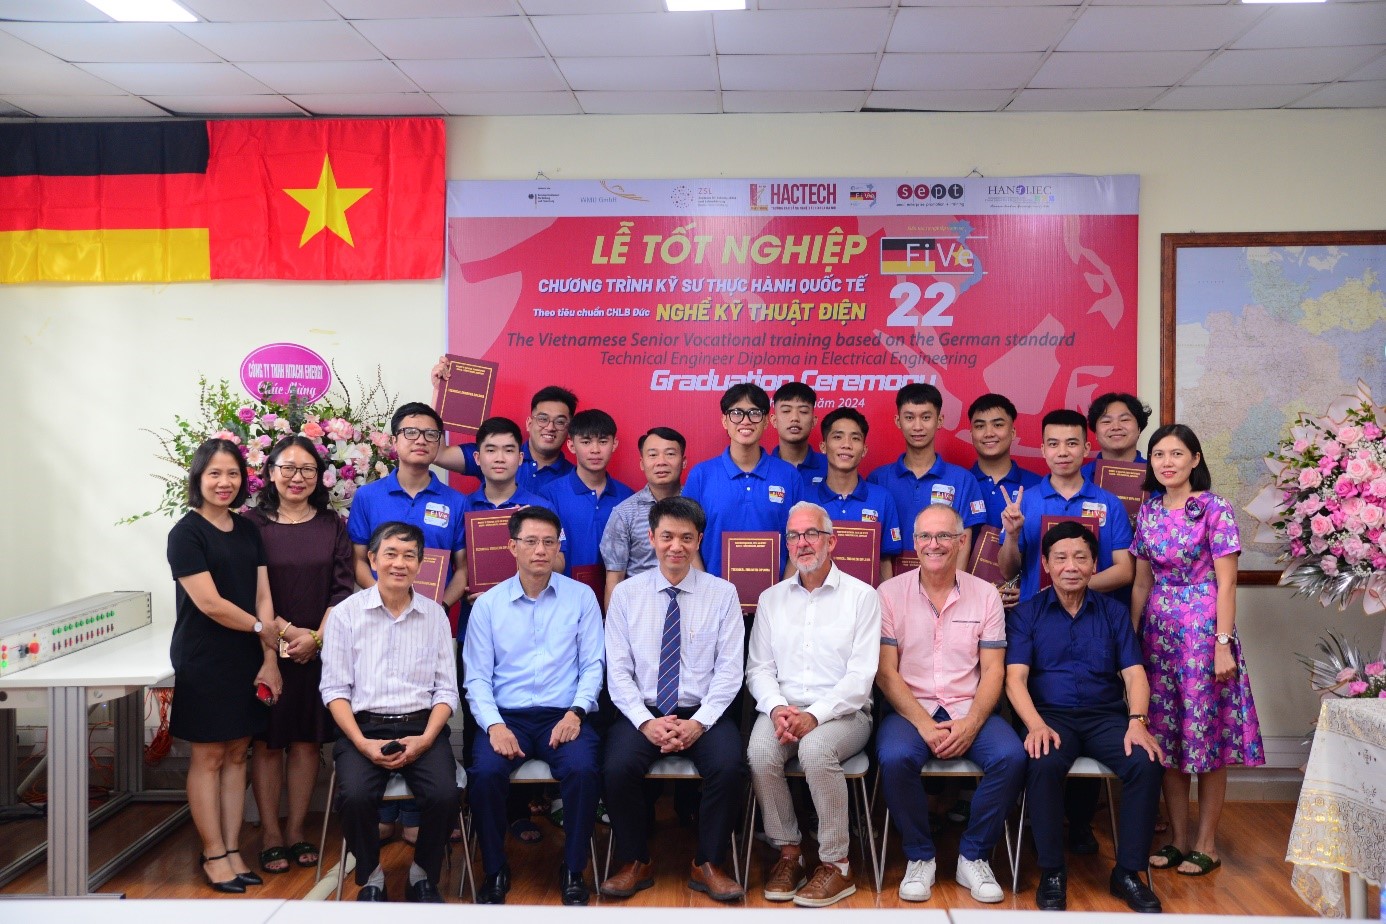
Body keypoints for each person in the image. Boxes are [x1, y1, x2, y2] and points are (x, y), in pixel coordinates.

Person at [1004, 521, 1164, 913]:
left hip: (1106, 717)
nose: (1071, 566)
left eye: (1080, 557)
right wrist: (1034, 724)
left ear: (1094, 565)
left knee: (1145, 762)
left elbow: (1135, 675)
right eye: (1060, 558)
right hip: (1050, 717)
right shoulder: (1026, 615)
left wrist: (1137, 721)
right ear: (1046, 564)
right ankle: (1052, 871)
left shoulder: (1114, 613)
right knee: (1041, 762)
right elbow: (1014, 679)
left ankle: (1127, 872)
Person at [1131, 423, 1263, 877]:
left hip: (1203, 634)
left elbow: (1228, 583)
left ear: (1195, 459)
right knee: (1166, 739)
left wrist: (1222, 645)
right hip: (1159, 635)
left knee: (1207, 738)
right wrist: (1131, 641)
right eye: (1158, 454)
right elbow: (1141, 582)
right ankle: (1178, 839)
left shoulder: (1214, 508)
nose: (1166, 462)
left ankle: (1206, 843)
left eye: (1176, 453)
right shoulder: (1148, 510)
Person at [875, 504, 1025, 904]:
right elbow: (886, 673)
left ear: (961, 542)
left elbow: (993, 671)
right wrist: (924, 724)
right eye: (925, 536)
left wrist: (972, 723)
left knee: (1011, 757)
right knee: (894, 758)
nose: (934, 544)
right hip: (910, 709)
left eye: (944, 536)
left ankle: (973, 856)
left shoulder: (986, 595)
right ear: (914, 542)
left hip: (967, 706)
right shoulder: (889, 594)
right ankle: (920, 857)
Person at [600, 496, 747, 902]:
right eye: (666, 536)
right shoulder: (627, 594)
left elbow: (730, 671)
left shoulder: (723, 594)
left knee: (729, 767)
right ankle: (635, 860)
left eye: (686, 537)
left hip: (702, 712)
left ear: (699, 540)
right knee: (615, 767)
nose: (675, 546)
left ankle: (708, 863)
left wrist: (699, 722)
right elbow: (618, 672)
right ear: (651, 538)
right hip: (643, 711)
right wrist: (645, 722)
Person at [464, 506, 604, 905]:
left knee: (583, 769)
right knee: (485, 774)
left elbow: (594, 664)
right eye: (530, 541)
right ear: (512, 547)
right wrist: (494, 726)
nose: (540, 550)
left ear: (559, 547)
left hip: (564, 714)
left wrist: (577, 712)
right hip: (506, 717)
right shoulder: (489, 605)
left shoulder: (581, 597)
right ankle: (495, 869)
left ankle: (573, 868)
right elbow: (477, 677)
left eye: (549, 542)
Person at [746, 502, 881, 907]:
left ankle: (837, 864)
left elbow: (861, 677)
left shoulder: (862, 597)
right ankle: (790, 853)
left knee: (816, 749)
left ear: (831, 541)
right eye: (794, 536)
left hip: (844, 713)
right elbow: (758, 669)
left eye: (811, 534)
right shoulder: (771, 599)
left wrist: (814, 715)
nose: (802, 543)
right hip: (784, 710)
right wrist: (776, 708)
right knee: (759, 751)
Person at [319, 522, 460, 903]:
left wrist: (426, 740)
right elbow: (334, 690)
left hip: (421, 726)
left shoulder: (434, 615)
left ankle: (422, 873)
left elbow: (446, 690)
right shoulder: (346, 615)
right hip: (363, 728)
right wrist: (362, 743)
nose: (400, 563)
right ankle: (372, 877)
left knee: (445, 795)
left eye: (409, 556)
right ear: (372, 559)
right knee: (355, 797)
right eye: (391, 554)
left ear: (421, 564)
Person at [166, 438, 282, 893]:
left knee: (238, 752)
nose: (224, 482)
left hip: (248, 653)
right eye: (214, 473)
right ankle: (212, 852)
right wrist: (260, 628)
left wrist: (269, 655)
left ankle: (233, 849)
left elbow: (263, 594)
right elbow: (210, 603)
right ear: (198, 477)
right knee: (210, 754)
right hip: (205, 656)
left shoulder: (248, 529)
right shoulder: (186, 533)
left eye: (232, 473)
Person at [244, 435, 353, 874]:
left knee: (307, 742)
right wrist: (289, 635)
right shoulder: (252, 524)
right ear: (270, 472)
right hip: (265, 649)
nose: (297, 477)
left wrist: (318, 639)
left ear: (320, 476)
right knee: (268, 743)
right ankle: (270, 832)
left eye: (307, 469)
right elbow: (249, 591)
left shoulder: (332, 525)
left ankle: (296, 830)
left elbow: (343, 589)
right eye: (288, 468)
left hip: (317, 651)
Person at [998, 409, 1135, 604]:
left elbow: (1125, 571)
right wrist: (1012, 536)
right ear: (1043, 450)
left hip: (1095, 613)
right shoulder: (1024, 502)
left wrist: (1068, 587)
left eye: (1071, 443)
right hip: (1037, 614)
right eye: (1053, 444)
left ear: (1086, 448)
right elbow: (1007, 572)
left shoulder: (1110, 503)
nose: (1062, 452)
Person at [348, 402, 468, 617]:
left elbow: (463, 568)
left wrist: (441, 608)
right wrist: (386, 602)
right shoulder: (367, 496)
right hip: (377, 615)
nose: (421, 440)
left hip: (432, 618)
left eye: (431, 434)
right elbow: (358, 560)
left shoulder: (457, 502)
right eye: (411, 432)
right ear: (395, 441)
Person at [683, 383, 803, 579]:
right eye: (737, 413)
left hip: (776, 594)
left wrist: (784, 591)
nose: (746, 421)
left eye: (754, 413)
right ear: (725, 421)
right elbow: (685, 537)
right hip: (713, 593)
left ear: (766, 421)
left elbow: (801, 541)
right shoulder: (701, 475)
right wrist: (706, 588)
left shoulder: (789, 476)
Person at [867, 383, 986, 567]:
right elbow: (876, 546)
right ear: (898, 421)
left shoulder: (963, 480)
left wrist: (955, 584)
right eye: (909, 417)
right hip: (892, 582)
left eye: (926, 417)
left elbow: (963, 545)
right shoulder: (878, 479)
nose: (917, 426)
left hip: (944, 581)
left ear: (939, 420)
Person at [432, 365, 578, 495]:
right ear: (529, 423)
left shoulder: (575, 477)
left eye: (560, 422)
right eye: (542, 419)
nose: (550, 427)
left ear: (569, 429)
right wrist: (440, 391)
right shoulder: (495, 455)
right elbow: (439, 454)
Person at [599, 426, 688, 608]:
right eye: (653, 455)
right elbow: (614, 579)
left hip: (692, 607)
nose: (661, 462)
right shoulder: (624, 513)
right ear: (642, 463)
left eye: (670, 454)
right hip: (640, 610)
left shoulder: (698, 505)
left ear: (683, 461)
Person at [812, 407, 904, 583]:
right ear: (823, 446)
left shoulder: (882, 499)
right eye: (837, 437)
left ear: (864, 449)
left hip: (866, 598)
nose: (846, 444)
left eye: (855, 438)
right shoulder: (805, 497)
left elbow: (884, 562)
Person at [541, 408, 633, 581]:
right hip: (563, 592)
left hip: (614, 591)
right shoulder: (549, 495)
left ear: (614, 444)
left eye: (603, 441)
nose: (595, 450)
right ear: (571, 445)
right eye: (586, 442)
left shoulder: (627, 497)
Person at [967, 393, 1042, 534]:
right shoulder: (961, 483)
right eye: (980, 426)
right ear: (971, 433)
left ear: (1013, 432)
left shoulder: (1037, 485)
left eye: (998, 425)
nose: (989, 433)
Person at [769, 382, 828, 487]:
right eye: (786, 411)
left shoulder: (830, 466)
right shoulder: (763, 468)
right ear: (774, 420)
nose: (795, 418)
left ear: (813, 421)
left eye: (803, 411)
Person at [1081, 392, 1150, 481]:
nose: (1116, 427)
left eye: (1124, 420)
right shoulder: (1080, 477)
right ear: (1096, 432)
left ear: (1139, 429)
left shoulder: (1156, 474)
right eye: (1106, 421)